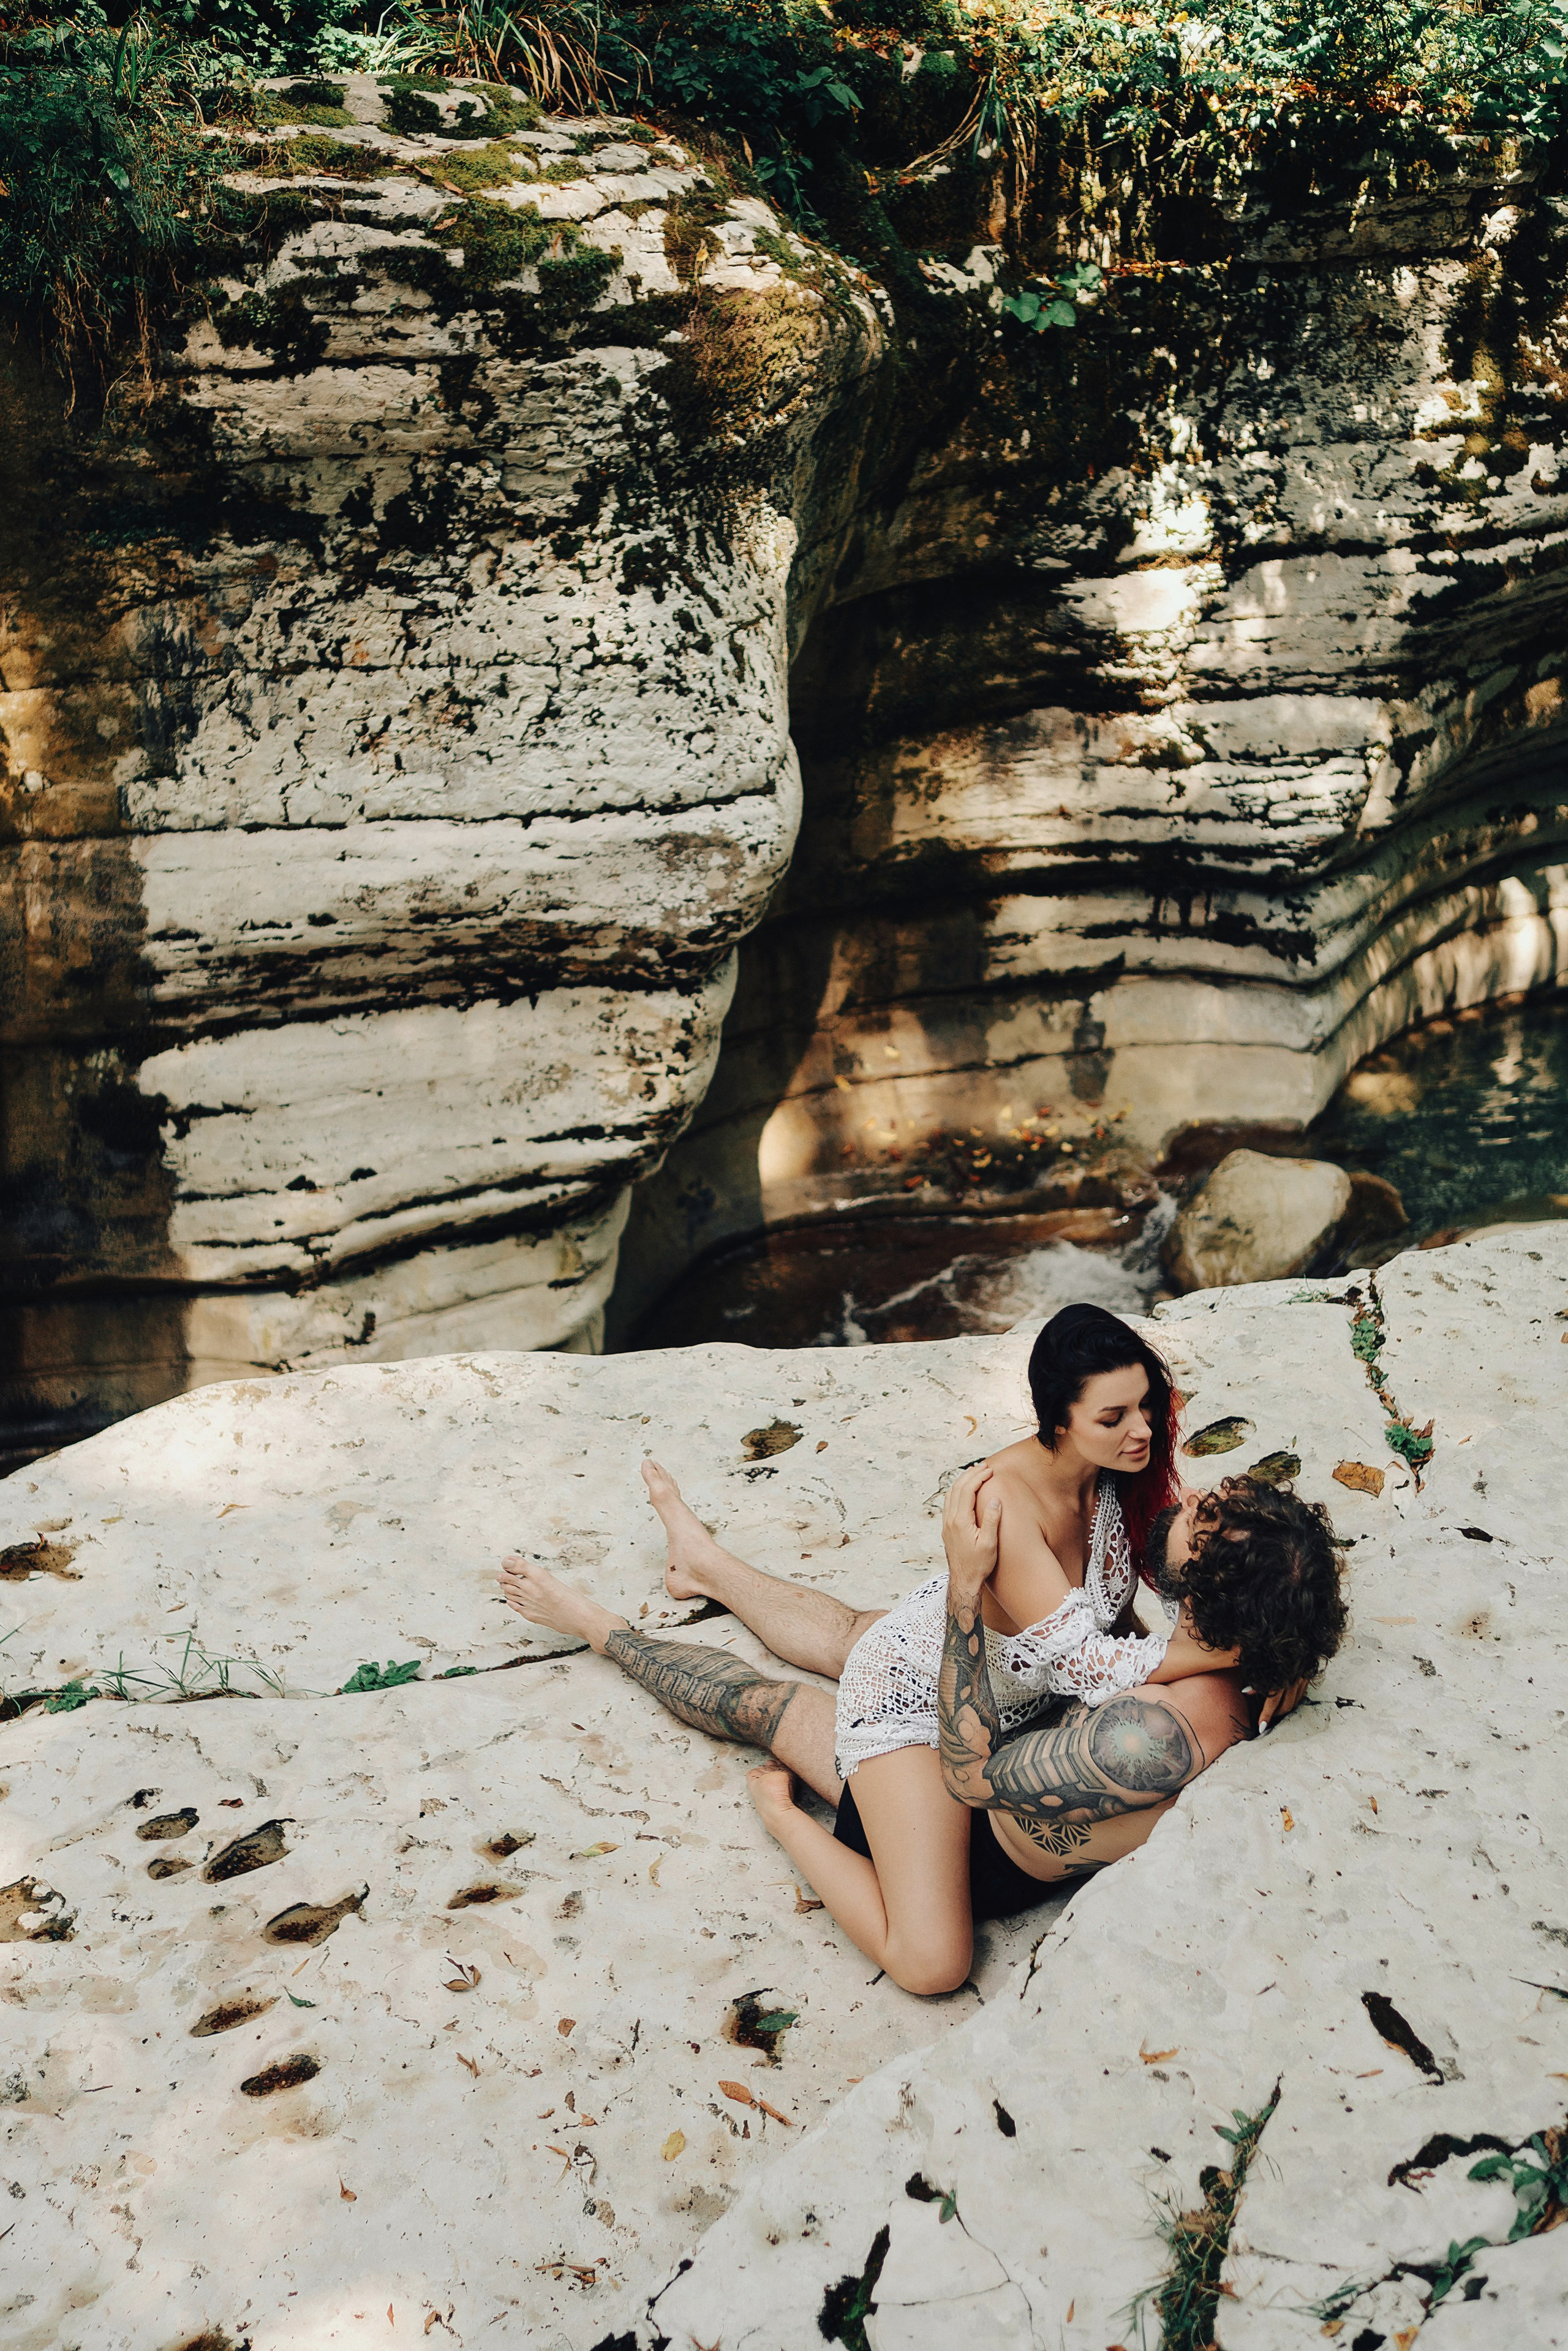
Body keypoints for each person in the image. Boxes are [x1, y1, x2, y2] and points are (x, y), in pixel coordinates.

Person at [498, 1305, 1346, 1994]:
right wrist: (969, 1591)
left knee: (790, 1691)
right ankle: (613, 1624)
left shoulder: (1176, 1711)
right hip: (947, 1711)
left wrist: (1284, 1655)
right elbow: (1005, 1739)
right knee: (930, 1950)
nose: (1180, 1482)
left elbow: (990, 1760)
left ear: (1217, 1604)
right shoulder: (1236, 1659)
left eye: (1201, 1518)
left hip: (991, 1728)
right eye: (1116, 1415)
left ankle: (707, 1586)